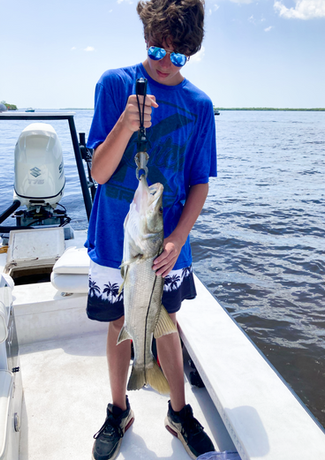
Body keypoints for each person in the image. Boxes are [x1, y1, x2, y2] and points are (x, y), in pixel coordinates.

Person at [85, 0, 217, 459]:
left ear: (191, 52)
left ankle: (178, 412)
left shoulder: (200, 106)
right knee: (120, 322)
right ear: (144, 36)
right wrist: (124, 122)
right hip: (112, 241)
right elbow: (99, 173)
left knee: (167, 323)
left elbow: (199, 182)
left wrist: (178, 237)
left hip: (165, 245)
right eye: (155, 49)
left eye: (177, 55)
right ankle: (118, 408)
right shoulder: (114, 83)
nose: (165, 62)